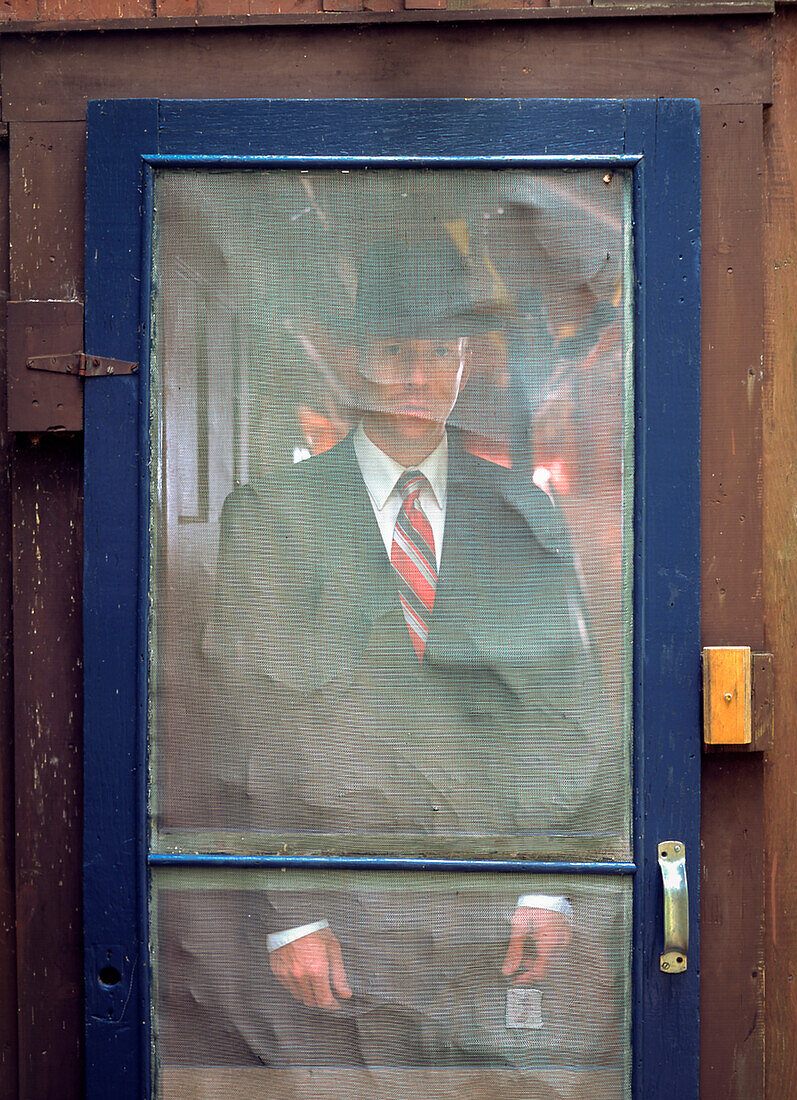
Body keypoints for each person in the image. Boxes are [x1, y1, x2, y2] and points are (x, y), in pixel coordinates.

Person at [192, 233, 617, 1068]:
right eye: (394, 352)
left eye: (441, 353)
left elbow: (567, 708)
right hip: (342, 907)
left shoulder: (522, 512)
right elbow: (245, 723)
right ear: (352, 363)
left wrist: (548, 886)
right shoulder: (274, 515)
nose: (419, 377)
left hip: (491, 906)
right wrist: (294, 911)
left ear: (465, 363)